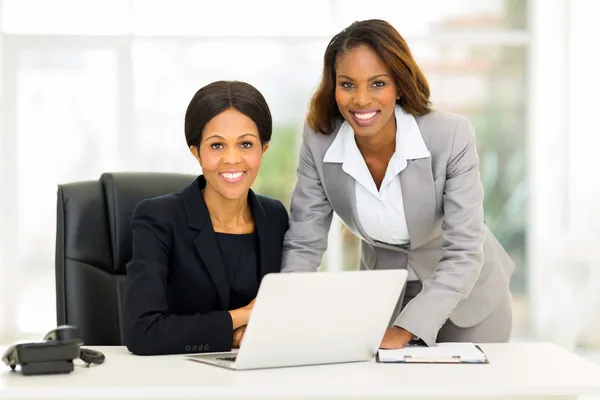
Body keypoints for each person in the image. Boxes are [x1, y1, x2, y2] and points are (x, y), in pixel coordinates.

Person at [281, 19, 514, 348]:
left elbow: (464, 251)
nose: (361, 99)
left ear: (399, 85)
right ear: (333, 87)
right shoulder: (319, 140)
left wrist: (407, 330)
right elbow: (305, 242)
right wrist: (285, 314)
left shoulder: (449, 136)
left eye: (377, 83)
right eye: (348, 85)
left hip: (468, 300)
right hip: (384, 299)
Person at [123, 80, 289, 356]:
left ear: (264, 148)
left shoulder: (274, 218)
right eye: (217, 146)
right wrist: (241, 318)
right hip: (177, 381)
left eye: (246, 144)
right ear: (196, 151)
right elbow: (143, 332)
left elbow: (291, 311)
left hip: (256, 378)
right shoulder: (159, 219)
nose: (232, 159)